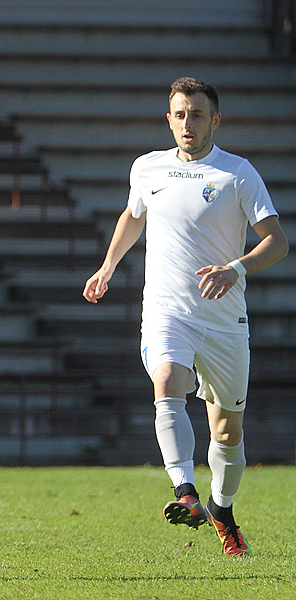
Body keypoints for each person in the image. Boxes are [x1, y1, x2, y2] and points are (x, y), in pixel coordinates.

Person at [83, 77, 288, 556]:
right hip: (166, 310)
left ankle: (222, 508)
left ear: (215, 120)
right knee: (168, 380)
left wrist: (236, 268)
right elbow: (134, 215)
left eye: (197, 115)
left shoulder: (238, 174)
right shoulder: (148, 168)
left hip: (223, 321)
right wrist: (108, 265)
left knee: (227, 432)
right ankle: (185, 492)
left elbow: (276, 242)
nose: (188, 123)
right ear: (169, 119)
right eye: (180, 114)